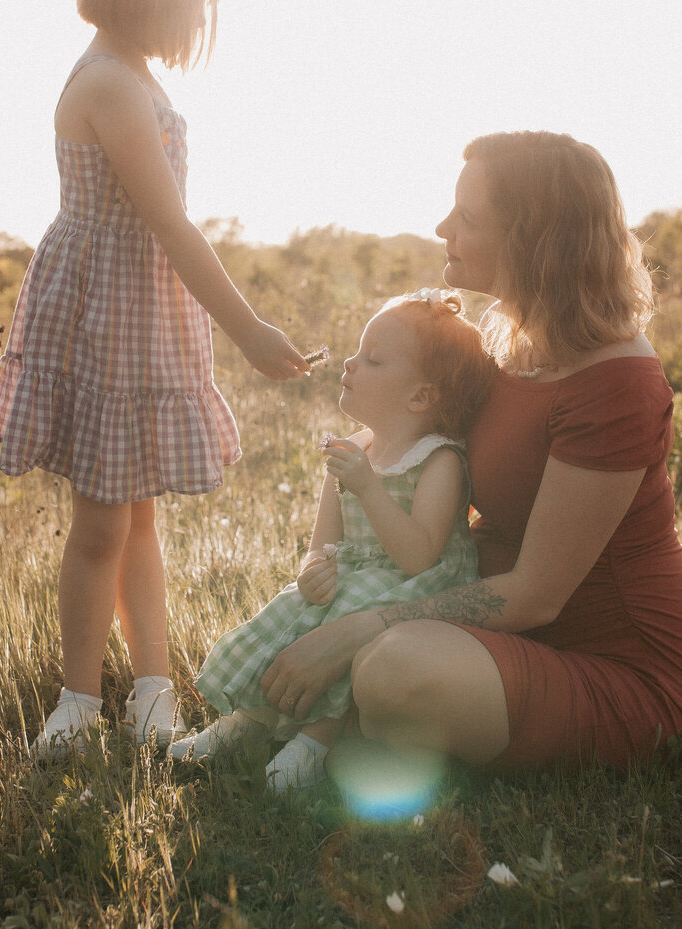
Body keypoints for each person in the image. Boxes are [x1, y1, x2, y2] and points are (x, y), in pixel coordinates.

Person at [257, 131, 682, 770]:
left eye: (468, 218)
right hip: (501, 641)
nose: (442, 226)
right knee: (362, 645)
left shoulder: (616, 384)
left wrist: (362, 627)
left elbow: (536, 595)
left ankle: (379, 712)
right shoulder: (505, 346)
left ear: (533, 242)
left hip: (623, 672)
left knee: (390, 668)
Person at [0, 0, 311, 754]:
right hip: (108, 318)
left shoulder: (133, 77)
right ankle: (79, 705)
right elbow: (169, 225)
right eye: (195, 0)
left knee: (136, 519)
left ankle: (153, 690)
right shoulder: (110, 86)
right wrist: (248, 333)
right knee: (101, 523)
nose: (200, 20)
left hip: (140, 309)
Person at [170, 291, 495, 790]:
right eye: (358, 351)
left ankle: (318, 741)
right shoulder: (353, 450)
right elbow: (323, 543)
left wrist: (367, 486)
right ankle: (247, 721)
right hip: (357, 578)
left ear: (420, 397)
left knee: (348, 615)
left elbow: (418, 556)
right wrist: (312, 569)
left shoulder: (439, 460)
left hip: (418, 588)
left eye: (373, 359)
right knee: (293, 611)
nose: (350, 362)